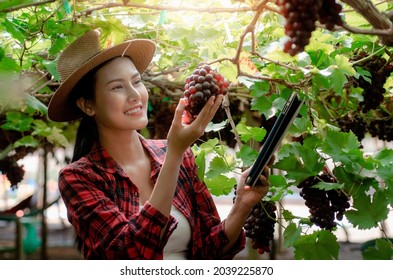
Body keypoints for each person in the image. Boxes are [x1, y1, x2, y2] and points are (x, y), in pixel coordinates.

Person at [47, 29, 272, 260]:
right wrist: (173, 155)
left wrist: (242, 206)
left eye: (137, 81)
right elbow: (129, 255)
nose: (135, 94)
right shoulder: (79, 177)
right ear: (87, 105)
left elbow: (209, 251)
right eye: (117, 87)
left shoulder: (179, 156)